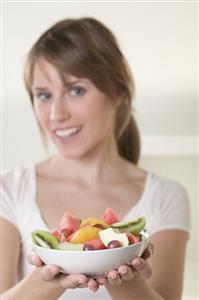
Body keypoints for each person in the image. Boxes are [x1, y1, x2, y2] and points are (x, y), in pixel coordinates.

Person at [0, 17, 190, 300]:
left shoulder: (166, 196)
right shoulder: (10, 189)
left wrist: (122, 275)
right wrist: (51, 277)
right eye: (43, 95)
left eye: (75, 90)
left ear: (118, 93)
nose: (56, 115)